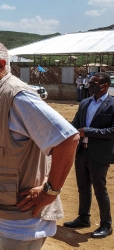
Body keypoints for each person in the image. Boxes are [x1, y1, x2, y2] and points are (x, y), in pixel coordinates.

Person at [0, 39, 79, 249]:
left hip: (24, 223)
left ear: (0, 66)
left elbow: (67, 139)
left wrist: (49, 192)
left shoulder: (17, 96)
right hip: (2, 214)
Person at [64, 72, 114, 238]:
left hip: (99, 154)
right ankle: (83, 217)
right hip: (82, 151)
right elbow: (75, 124)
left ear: (104, 86)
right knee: (83, 187)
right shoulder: (85, 103)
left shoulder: (112, 104)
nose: (89, 85)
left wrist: (88, 132)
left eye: (93, 83)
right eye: (90, 83)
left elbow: (112, 131)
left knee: (100, 190)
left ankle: (106, 225)